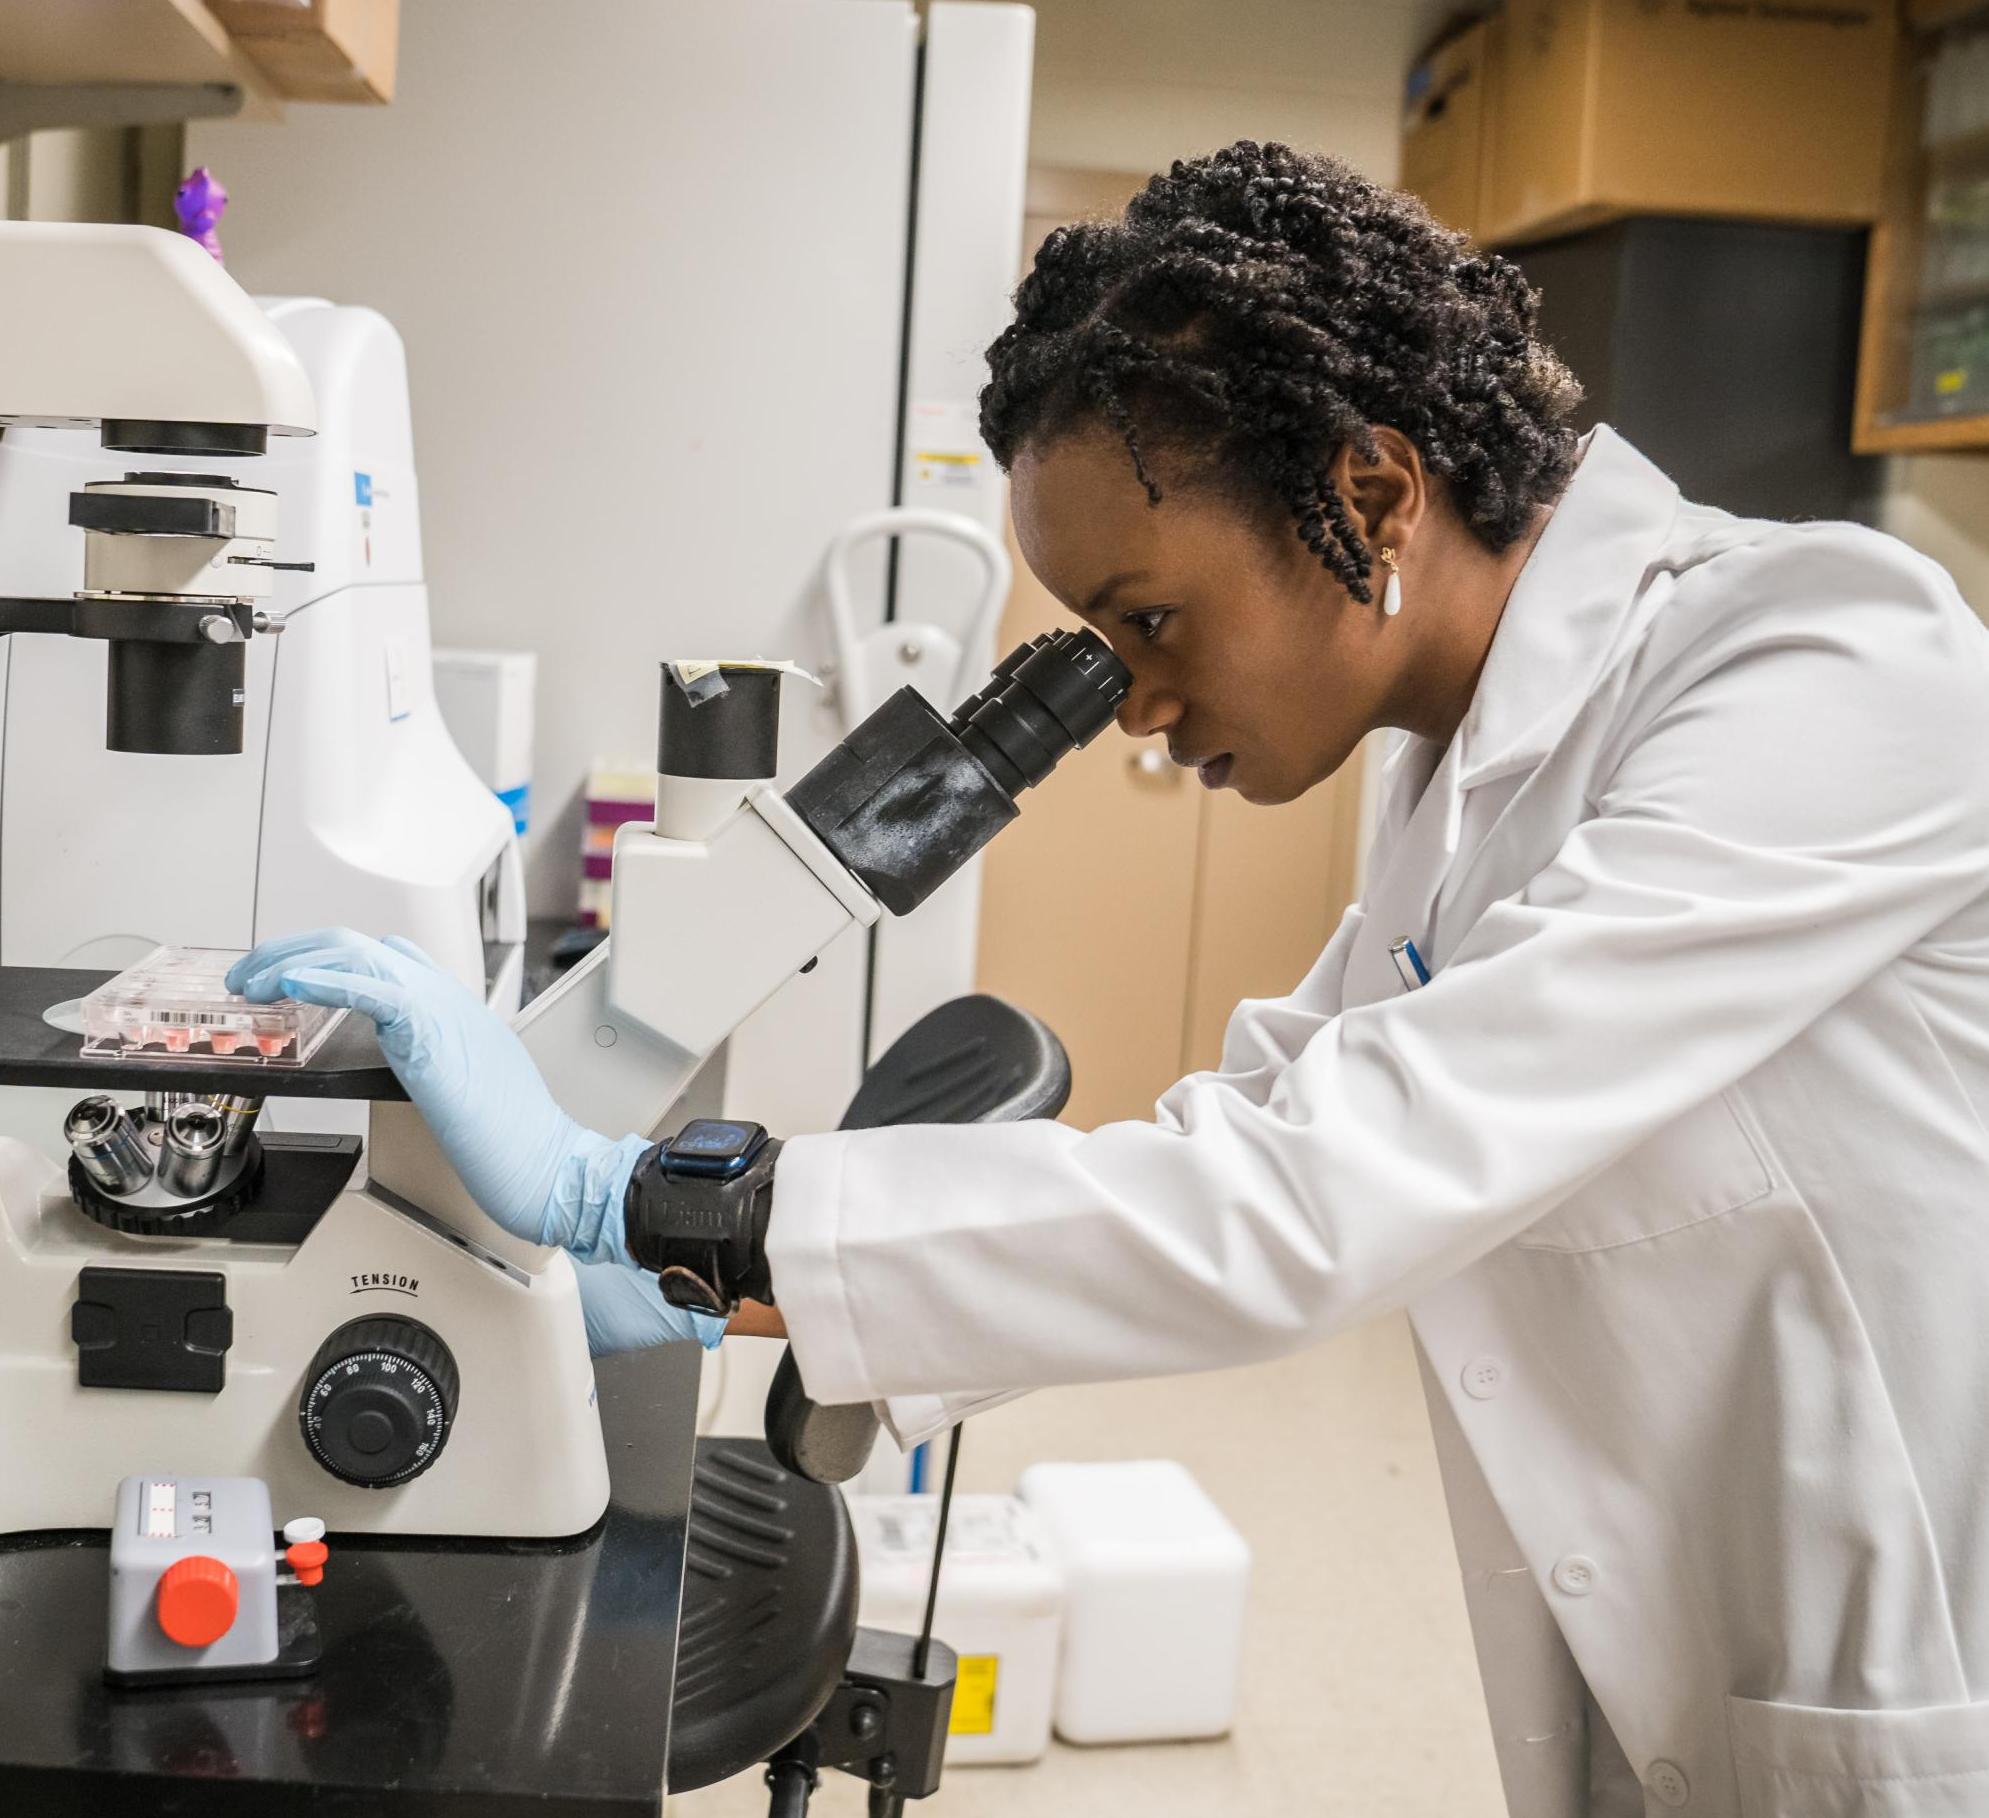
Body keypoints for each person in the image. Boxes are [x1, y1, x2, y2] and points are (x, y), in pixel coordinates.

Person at [232, 143, 1989, 1818]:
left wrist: (654, 1204)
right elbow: (1261, 1116)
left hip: (1899, 1673)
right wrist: (727, 1289)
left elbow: (1308, 1194)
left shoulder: (1818, 659)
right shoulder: (1452, 769)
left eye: (1150, 619)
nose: (1135, 707)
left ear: (1368, 490)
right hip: (1691, 1666)